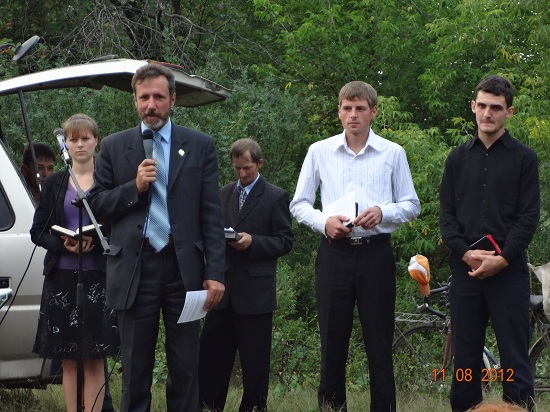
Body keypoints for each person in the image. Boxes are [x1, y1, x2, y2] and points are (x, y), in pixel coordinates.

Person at [88, 63, 226, 412]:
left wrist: (215, 273)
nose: (151, 105)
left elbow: (211, 214)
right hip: (136, 268)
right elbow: (96, 205)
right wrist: (133, 187)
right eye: (144, 97)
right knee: (135, 368)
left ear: (173, 100)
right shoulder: (115, 146)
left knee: (186, 366)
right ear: (135, 100)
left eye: (159, 97)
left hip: (184, 269)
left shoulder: (199, 145)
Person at [290, 81, 420, 411]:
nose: (353, 115)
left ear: (373, 112)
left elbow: (411, 204)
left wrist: (383, 212)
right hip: (334, 254)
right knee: (332, 343)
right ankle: (332, 408)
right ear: (339, 112)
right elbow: (299, 204)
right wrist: (324, 222)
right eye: (347, 108)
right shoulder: (319, 151)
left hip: (376, 254)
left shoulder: (393, 152)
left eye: (360, 108)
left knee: (379, 343)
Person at [439, 75, 540, 411]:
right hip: (466, 272)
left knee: (514, 358)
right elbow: (447, 218)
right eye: (481, 105)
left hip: (508, 272)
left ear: (509, 112)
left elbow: (528, 217)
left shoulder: (524, 159)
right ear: (473, 106)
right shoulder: (456, 160)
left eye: (495, 107)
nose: (487, 113)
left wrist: (503, 258)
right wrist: (465, 253)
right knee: (466, 360)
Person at [30, 113, 120, 412]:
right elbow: (37, 231)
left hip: (98, 277)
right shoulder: (55, 183)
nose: (79, 144)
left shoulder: (108, 181)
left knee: (94, 358)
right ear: (65, 144)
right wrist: (63, 244)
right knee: (68, 360)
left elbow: (120, 228)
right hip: (61, 279)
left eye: (85, 138)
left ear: (96, 141)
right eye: (73, 139)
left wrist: (97, 240)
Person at [198, 138, 294, 411]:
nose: (242, 174)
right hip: (223, 289)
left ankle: (253, 408)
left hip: (255, 294)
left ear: (260, 163)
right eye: (237, 168)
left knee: (255, 362)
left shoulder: (275, 196)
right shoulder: (223, 193)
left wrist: (254, 242)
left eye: (247, 168)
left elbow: (285, 241)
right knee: (212, 356)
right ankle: (208, 405)